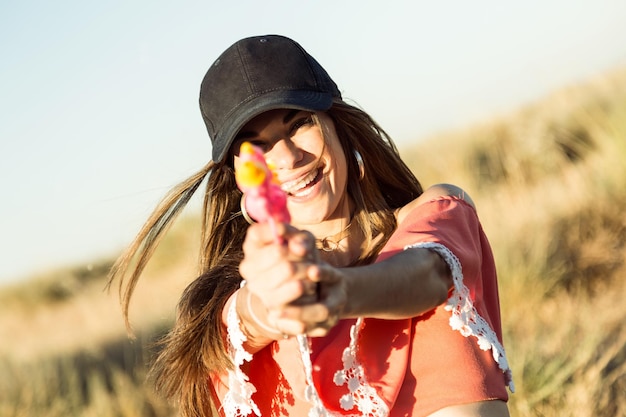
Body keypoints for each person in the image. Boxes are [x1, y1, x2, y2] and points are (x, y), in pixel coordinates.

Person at [108, 34, 514, 417]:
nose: (286, 158)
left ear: (338, 126)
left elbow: (428, 273)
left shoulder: (437, 213)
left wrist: (337, 291)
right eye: (256, 147)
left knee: (441, 312)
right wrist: (275, 304)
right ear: (240, 178)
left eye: (299, 123)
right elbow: (254, 313)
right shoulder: (236, 298)